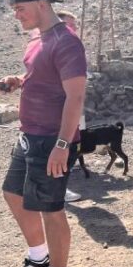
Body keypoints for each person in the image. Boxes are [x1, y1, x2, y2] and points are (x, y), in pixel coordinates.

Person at [0, 0, 87, 267]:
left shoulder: (67, 42)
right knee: (13, 193)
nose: (16, 15)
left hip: (52, 139)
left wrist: (62, 145)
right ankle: (39, 257)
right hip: (30, 133)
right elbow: (42, 75)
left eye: (20, 8)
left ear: (41, 4)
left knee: (51, 209)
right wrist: (19, 80)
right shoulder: (38, 38)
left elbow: (75, 96)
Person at [56, 11, 83, 204]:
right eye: (69, 25)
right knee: (64, 149)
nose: (74, 29)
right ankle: (58, 191)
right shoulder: (60, 49)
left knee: (73, 147)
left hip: (73, 110)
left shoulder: (71, 48)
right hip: (59, 114)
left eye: (74, 25)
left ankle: (59, 189)